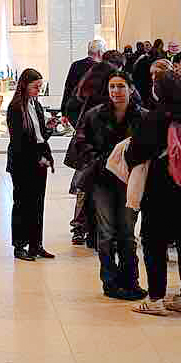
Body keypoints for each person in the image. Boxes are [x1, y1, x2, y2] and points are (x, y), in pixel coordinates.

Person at [125, 71, 181, 315]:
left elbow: (136, 153)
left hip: (161, 188)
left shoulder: (155, 118)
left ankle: (156, 298)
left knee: (154, 243)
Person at [68, 71, 146, 299]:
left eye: (121, 86)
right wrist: (100, 162)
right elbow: (81, 144)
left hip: (130, 181)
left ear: (131, 89)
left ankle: (130, 279)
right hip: (102, 181)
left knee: (128, 233)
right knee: (106, 233)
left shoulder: (142, 117)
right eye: (112, 86)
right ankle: (110, 281)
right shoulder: (95, 115)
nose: (116, 91)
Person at [67, 57, 116, 245]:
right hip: (94, 149)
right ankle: (86, 228)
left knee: (83, 187)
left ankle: (81, 228)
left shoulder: (85, 91)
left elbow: (70, 107)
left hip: (86, 148)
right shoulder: (101, 99)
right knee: (89, 187)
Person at [6, 68, 54, 260]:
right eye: (36, 87)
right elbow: (19, 141)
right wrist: (37, 157)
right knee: (22, 203)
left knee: (38, 203)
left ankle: (36, 243)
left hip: (39, 160)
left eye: (40, 87)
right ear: (25, 86)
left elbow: (40, 135)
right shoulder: (16, 108)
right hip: (22, 162)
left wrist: (49, 128)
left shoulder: (36, 105)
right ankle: (19, 245)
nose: (38, 90)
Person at [60, 38, 106, 125]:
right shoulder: (100, 68)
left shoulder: (75, 65)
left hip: (75, 111)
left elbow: (68, 89)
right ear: (100, 52)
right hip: (94, 112)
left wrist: (64, 112)